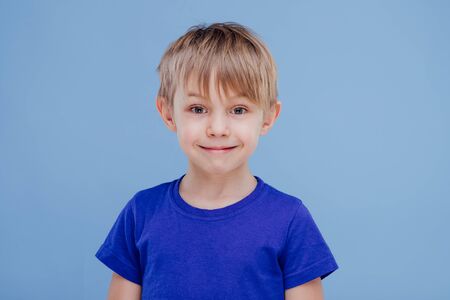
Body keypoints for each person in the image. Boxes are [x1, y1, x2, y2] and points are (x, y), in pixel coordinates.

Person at [95, 21, 339, 300]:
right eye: (198, 108)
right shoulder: (141, 213)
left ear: (269, 116)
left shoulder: (290, 219)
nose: (218, 128)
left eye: (238, 109)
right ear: (167, 113)